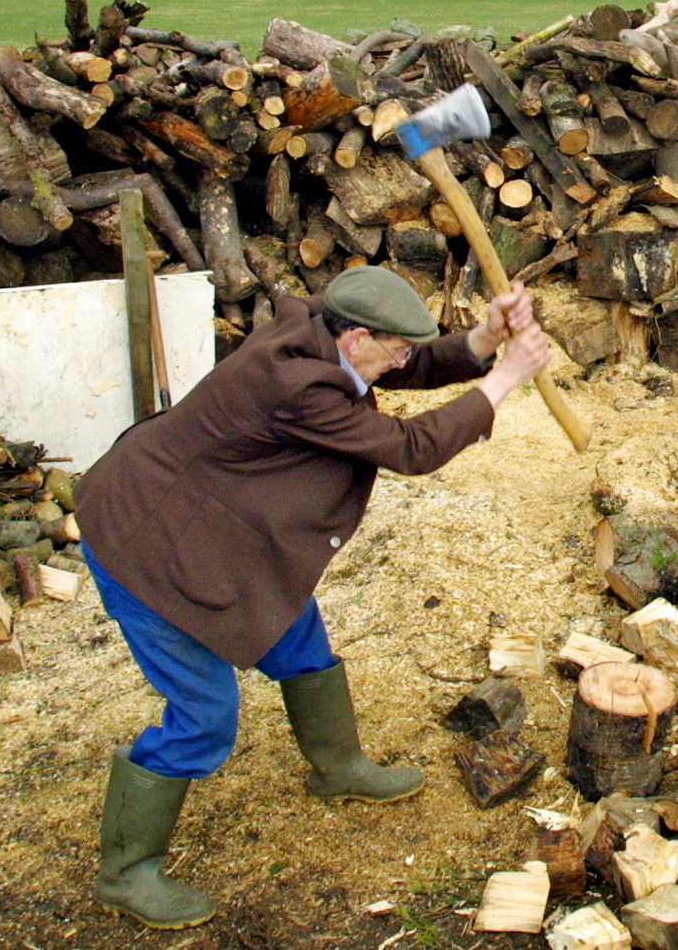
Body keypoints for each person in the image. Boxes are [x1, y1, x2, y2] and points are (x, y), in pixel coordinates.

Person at [75, 265, 551, 929]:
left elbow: (400, 369)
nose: (402, 360)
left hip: (212, 529)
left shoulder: (321, 335)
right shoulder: (291, 382)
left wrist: (480, 341)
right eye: (394, 347)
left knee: (297, 635)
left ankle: (337, 766)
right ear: (355, 338)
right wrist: (503, 382)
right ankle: (125, 872)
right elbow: (410, 448)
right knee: (206, 711)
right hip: (148, 546)